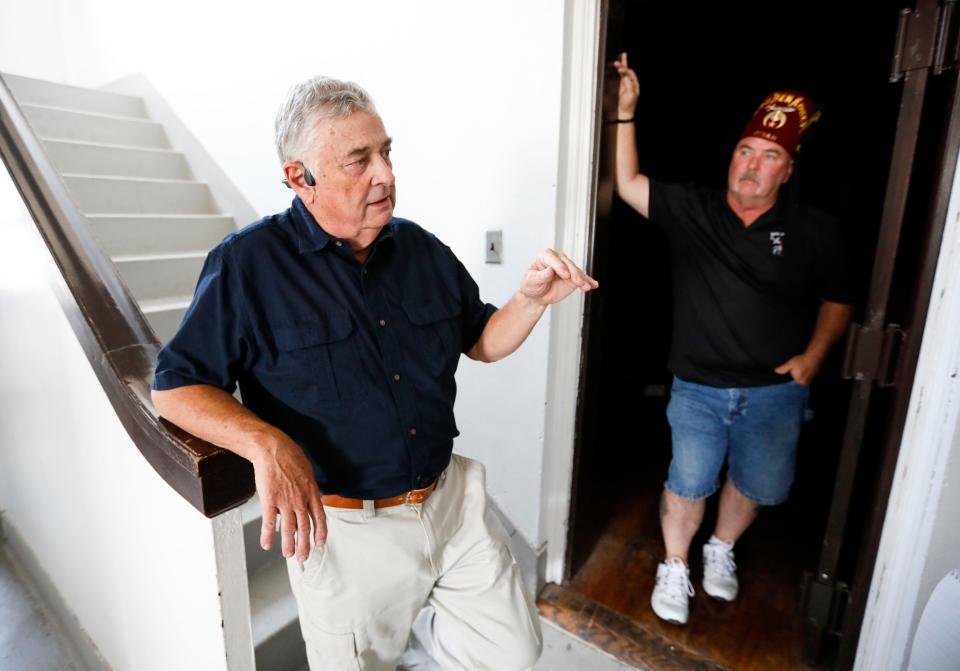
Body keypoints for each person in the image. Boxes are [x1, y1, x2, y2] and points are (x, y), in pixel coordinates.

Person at [151, 76, 598, 670]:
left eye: (385, 152)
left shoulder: (419, 248)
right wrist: (266, 442)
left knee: (511, 653)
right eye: (358, 161)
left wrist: (532, 298)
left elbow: (482, 342)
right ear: (299, 177)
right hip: (344, 531)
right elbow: (175, 386)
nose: (384, 174)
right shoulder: (247, 266)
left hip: (451, 500)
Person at [612, 53, 855, 625]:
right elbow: (626, 184)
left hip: (774, 393)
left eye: (770, 156)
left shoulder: (813, 231)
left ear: (787, 171)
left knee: (752, 484)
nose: (752, 165)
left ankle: (720, 549)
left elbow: (840, 298)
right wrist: (626, 113)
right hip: (697, 387)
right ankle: (675, 563)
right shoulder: (695, 209)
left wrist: (815, 357)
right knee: (688, 481)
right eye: (745, 151)